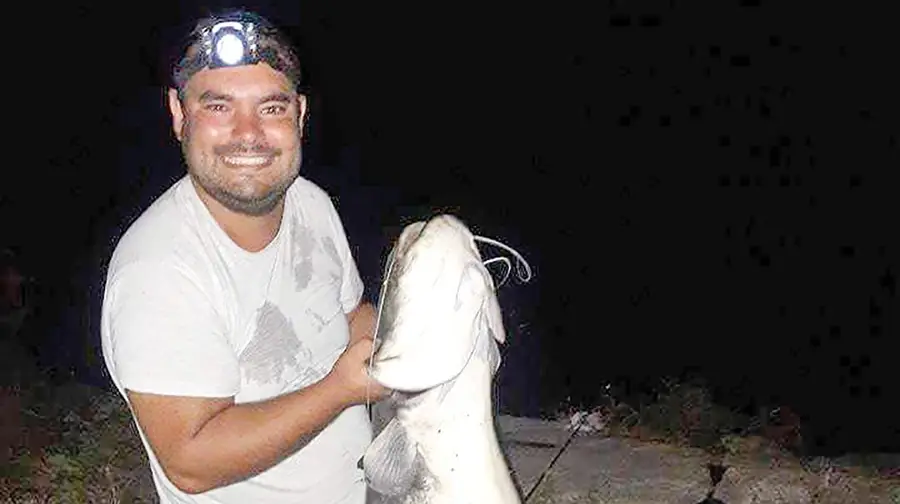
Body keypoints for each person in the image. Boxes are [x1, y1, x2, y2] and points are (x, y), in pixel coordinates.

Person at [100, 10, 390, 503]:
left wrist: (418, 335)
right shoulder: (158, 271)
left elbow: (350, 317)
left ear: (299, 114)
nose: (248, 133)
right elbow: (191, 462)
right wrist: (342, 389)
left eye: (271, 108)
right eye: (219, 107)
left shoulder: (310, 203)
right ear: (178, 113)